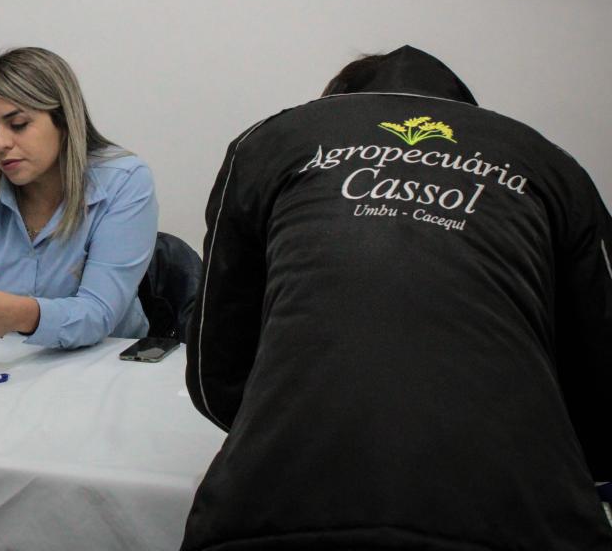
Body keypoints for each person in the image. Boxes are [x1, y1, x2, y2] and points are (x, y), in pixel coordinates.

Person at [183, 45, 612, 550]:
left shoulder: (270, 141)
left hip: (275, 510)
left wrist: (282, 430)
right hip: (525, 517)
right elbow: (600, 374)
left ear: (334, 102)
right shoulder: (549, 162)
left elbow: (217, 363)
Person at [0, 47, 158, 349]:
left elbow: (97, 314)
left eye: (19, 124)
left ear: (64, 120)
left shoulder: (125, 181)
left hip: (109, 360)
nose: (0, 143)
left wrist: (22, 315)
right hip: (9, 362)